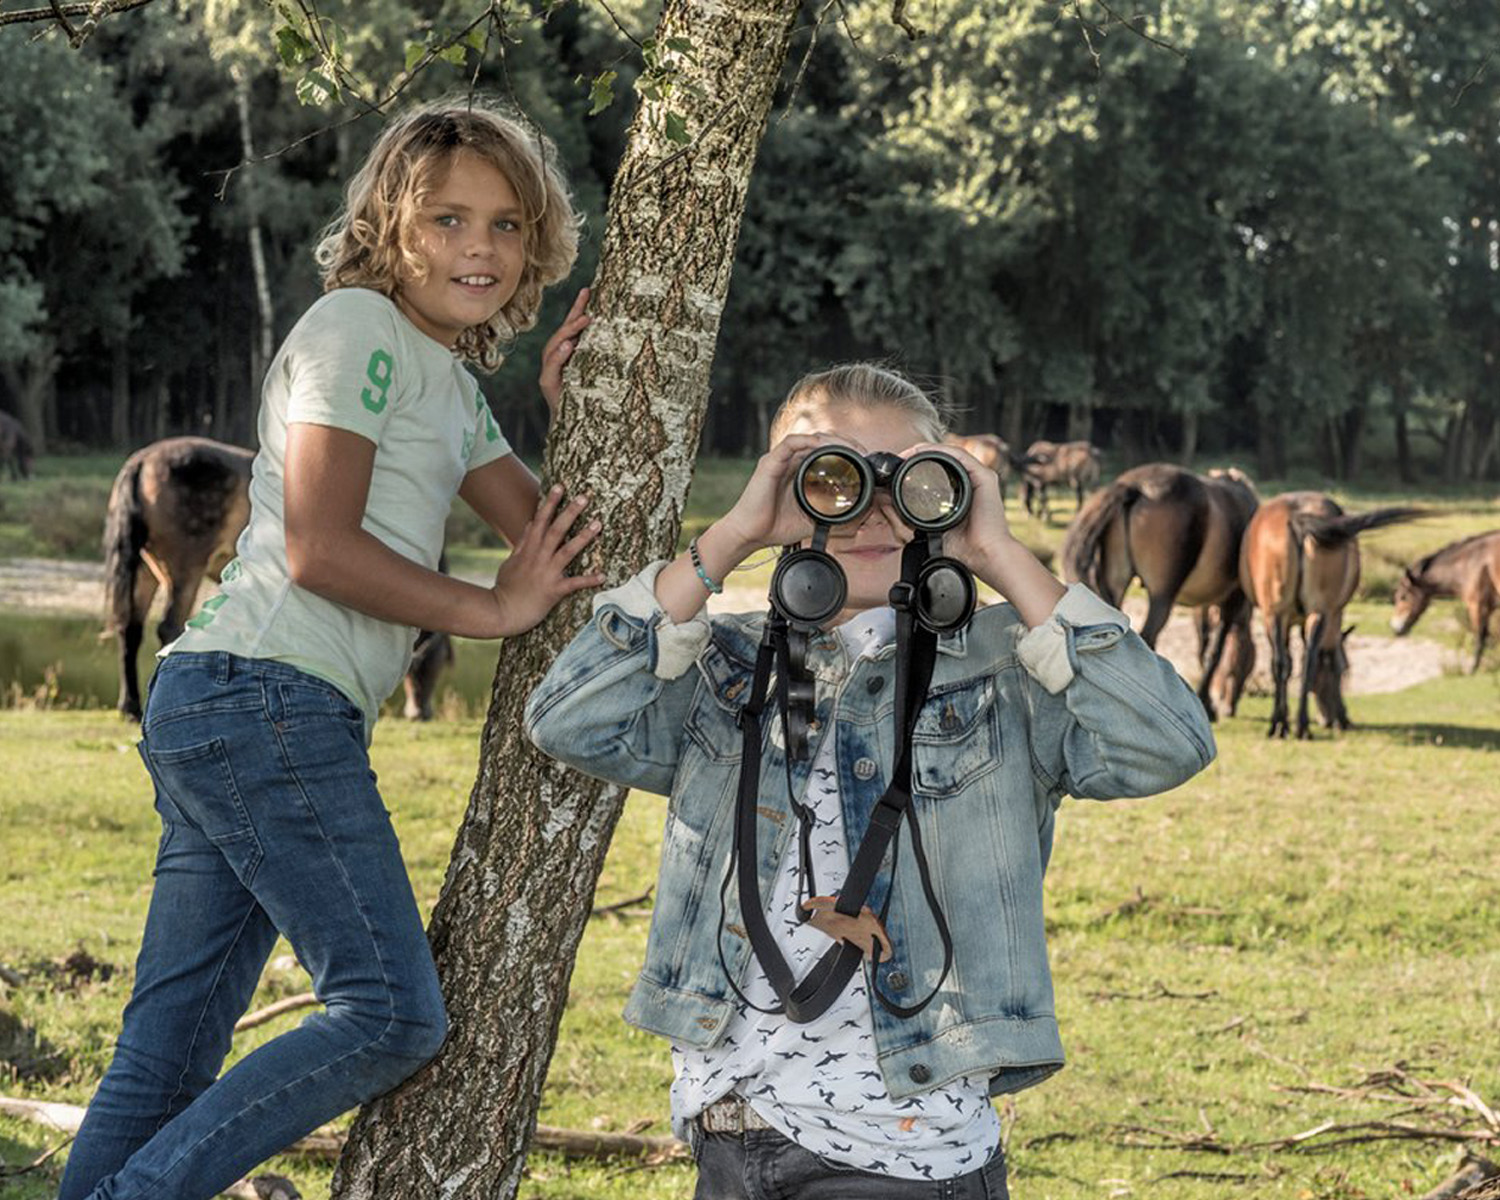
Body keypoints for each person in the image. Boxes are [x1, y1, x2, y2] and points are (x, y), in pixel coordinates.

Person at [60, 99, 601, 1200]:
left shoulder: (447, 379)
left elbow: (543, 529)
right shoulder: (355, 326)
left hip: (238, 704)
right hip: (264, 695)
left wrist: (572, 400)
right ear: (389, 225)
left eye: (505, 225)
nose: (480, 248)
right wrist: (489, 613)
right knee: (393, 1011)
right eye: (448, 219)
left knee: (164, 1060)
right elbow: (316, 548)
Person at [525, 363, 1216, 1198]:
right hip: (729, 1135)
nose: (872, 509)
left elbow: (1170, 739)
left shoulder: (1001, 675)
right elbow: (565, 717)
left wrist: (996, 551)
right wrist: (733, 536)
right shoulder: (726, 668)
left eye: (907, 480)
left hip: (900, 1151)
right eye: (832, 477)